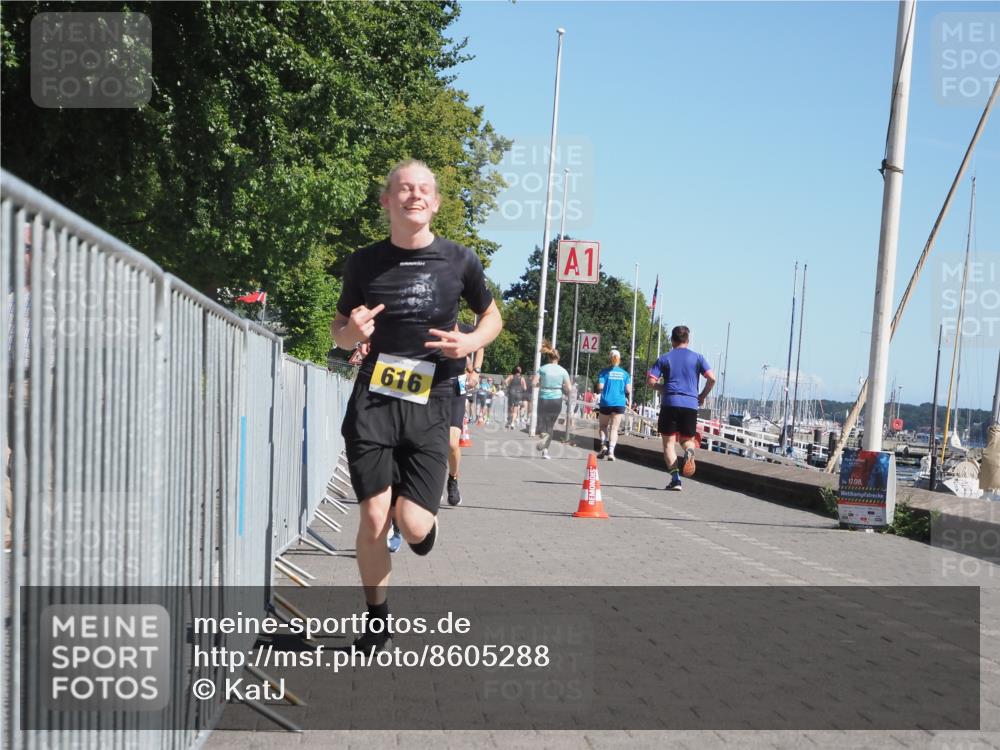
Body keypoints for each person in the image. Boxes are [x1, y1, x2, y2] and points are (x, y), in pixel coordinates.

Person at [331, 159, 501, 652]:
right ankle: (376, 618)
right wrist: (350, 334)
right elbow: (339, 329)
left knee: (412, 524)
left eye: (425, 189)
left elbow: (491, 317)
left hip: (432, 399)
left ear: (437, 202)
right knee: (372, 519)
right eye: (404, 189)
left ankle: (421, 519)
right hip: (375, 400)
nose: (415, 196)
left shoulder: (459, 261)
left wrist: (469, 345)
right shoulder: (362, 263)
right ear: (386, 200)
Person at [646, 325, 716, 491]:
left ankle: (676, 479)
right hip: (690, 404)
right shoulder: (698, 358)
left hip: (670, 402)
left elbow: (650, 381)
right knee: (686, 440)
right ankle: (689, 452)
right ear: (688, 340)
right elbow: (712, 378)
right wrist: (702, 396)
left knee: (669, 444)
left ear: (672, 340)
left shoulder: (664, 358)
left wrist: (663, 389)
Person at [533, 346, 571, 459]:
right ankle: (546, 451)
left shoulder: (542, 369)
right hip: (556, 399)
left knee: (542, 423)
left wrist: (542, 385)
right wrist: (563, 389)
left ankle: (543, 436)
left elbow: (534, 383)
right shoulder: (563, 371)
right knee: (551, 425)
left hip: (544, 398)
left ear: (549, 358)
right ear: (558, 358)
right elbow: (569, 388)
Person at [595, 349, 631, 461]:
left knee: (603, 426)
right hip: (619, 403)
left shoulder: (604, 372)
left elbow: (600, 387)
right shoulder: (625, 374)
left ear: (609, 359)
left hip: (606, 402)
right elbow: (628, 390)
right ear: (619, 359)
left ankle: (603, 445)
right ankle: (611, 452)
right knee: (614, 428)